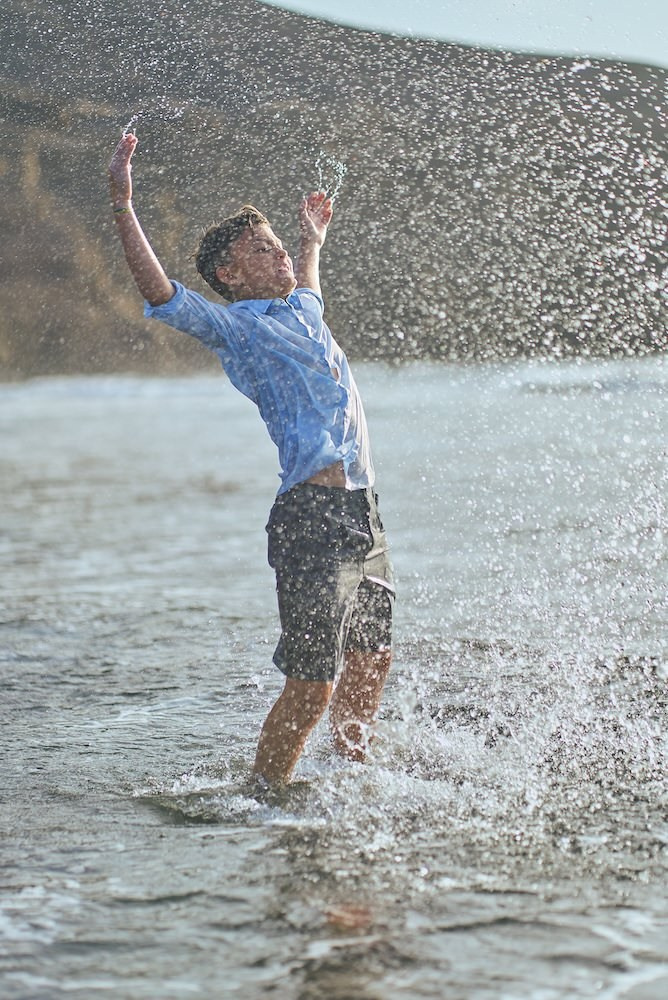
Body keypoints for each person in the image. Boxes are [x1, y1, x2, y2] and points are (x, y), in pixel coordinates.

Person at [108, 131, 395, 786]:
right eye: (262, 249)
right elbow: (161, 292)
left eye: (277, 243)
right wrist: (123, 203)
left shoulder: (305, 309)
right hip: (311, 519)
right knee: (313, 685)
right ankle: (265, 797)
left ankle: (351, 785)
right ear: (230, 276)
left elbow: (309, 280)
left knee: (371, 661)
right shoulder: (238, 328)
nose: (279, 253)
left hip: (364, 515)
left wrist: (312, 241)